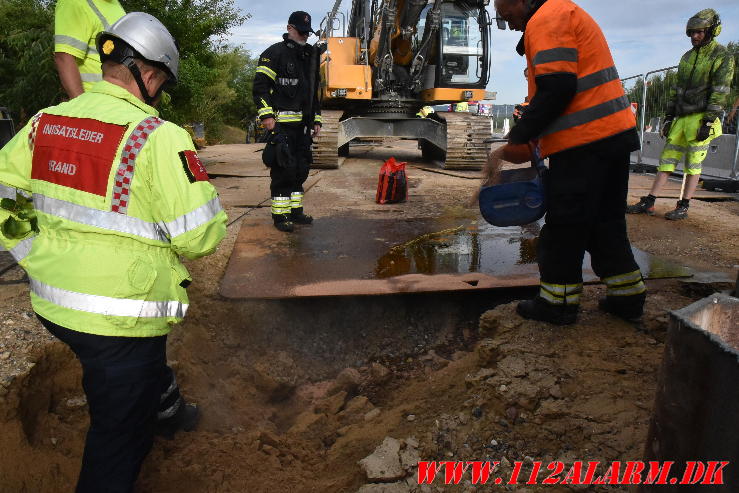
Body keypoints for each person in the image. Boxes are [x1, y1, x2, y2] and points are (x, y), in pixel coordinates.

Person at [0, 12, 227, 492]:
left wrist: (30, 250)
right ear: (147, 75)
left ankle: (166, 410)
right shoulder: (158, 137)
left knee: (136, 367)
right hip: (120, 317)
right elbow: (200, 239)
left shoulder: (45, 122)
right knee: (118, 437)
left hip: (53, 304)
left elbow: (4, 193)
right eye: (161, 82)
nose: (159, 93)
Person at [493, 0, 645, 325]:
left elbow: (557, 87)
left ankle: (556, 305)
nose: (512, 26)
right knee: (606, 223)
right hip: (611, 138)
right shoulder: (563, 12)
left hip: (583, 143)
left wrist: (520, 135)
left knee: (565, 227)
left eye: (508, 18)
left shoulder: (547, 17)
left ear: (521, 2)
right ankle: (628, 297)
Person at [628, 9, 734, 220]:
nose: (695, 36)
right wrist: (668, 117)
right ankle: (649, 201)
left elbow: (720, 91)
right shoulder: (686, 57)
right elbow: (676, 89)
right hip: (681, 118)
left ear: (712, 30)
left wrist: (709, 121)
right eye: (692, 33)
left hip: (702, 117)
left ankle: (683, 205)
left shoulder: (722, 56)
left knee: (693, 163)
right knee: (667, 159)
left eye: (700, 32)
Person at [253, 11, 322, 233]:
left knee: (300, 170)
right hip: (281, 126)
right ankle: (280, 215)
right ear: (289, 28)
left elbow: (314, 93)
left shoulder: (310, 56)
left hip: (303, 128)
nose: (304, 36)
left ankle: (295, 212)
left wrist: (316, 119)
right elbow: (260, 87)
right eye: (301, 32)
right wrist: (267, 116)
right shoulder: (274, 53)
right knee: (283, 171)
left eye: (307, 33)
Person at [54, 0, 126, 99]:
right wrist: (82, 106)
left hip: (120, 101)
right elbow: (64, 58)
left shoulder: (115, 4)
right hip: (94, 101)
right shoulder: (73, 2)